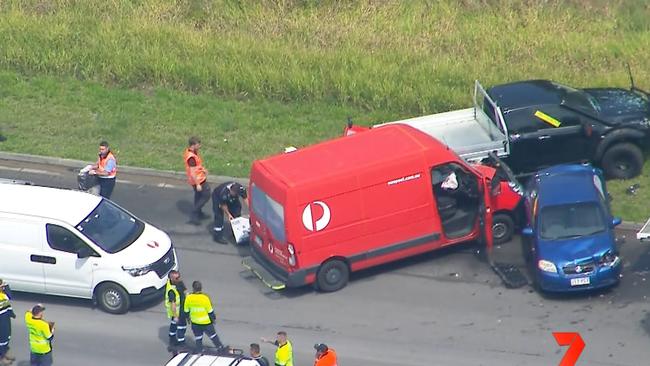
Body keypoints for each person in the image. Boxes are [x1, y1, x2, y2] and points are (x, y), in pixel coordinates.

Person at [183, 281, 223, 352]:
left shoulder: (188, 298)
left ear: (193, 288)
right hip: (206, 322)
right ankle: (220, 348)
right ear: (201, 288)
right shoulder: (205, 298)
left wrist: (188, 319)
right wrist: (213, 319)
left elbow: (186, 311)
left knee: (198, 337)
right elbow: (210, 311)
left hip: (195, 322)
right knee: (213, 336)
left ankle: (199, 349)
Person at [184, 137, 211, 225]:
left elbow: (197, 166)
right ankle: (195, 212)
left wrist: (203, 169)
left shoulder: (192, 152)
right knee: (206, 195)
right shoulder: (191, 157)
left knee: (198, 196)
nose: (199, 146)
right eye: (198, 144)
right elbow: (192, 172)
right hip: (198, 180)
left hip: (197, 178)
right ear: (193, 145)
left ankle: (198, 214)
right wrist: (198, 184)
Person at [165, 270, 187, 348]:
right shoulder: (171, 291)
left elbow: (185, 292)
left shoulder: (179, 283)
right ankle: (182, 344)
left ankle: (172, 339)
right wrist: (175, 316)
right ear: (171, 279)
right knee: (182, 327)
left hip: (181, 308)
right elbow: (173, 304)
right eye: (177, 278)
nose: (179, 279)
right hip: (178, 312)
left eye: (179, 277)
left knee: (173, 325)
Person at [0, 280, 16, 366]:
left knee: (7, 337)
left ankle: (4, 355)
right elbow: (9, 296)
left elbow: (9, 297)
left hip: (5, 319)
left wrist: (5, 285)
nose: (3, 288)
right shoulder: (1, 296)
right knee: (2, 340)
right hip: (1, 322)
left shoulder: (3, 295)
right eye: (2, 287)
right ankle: (2, 358)